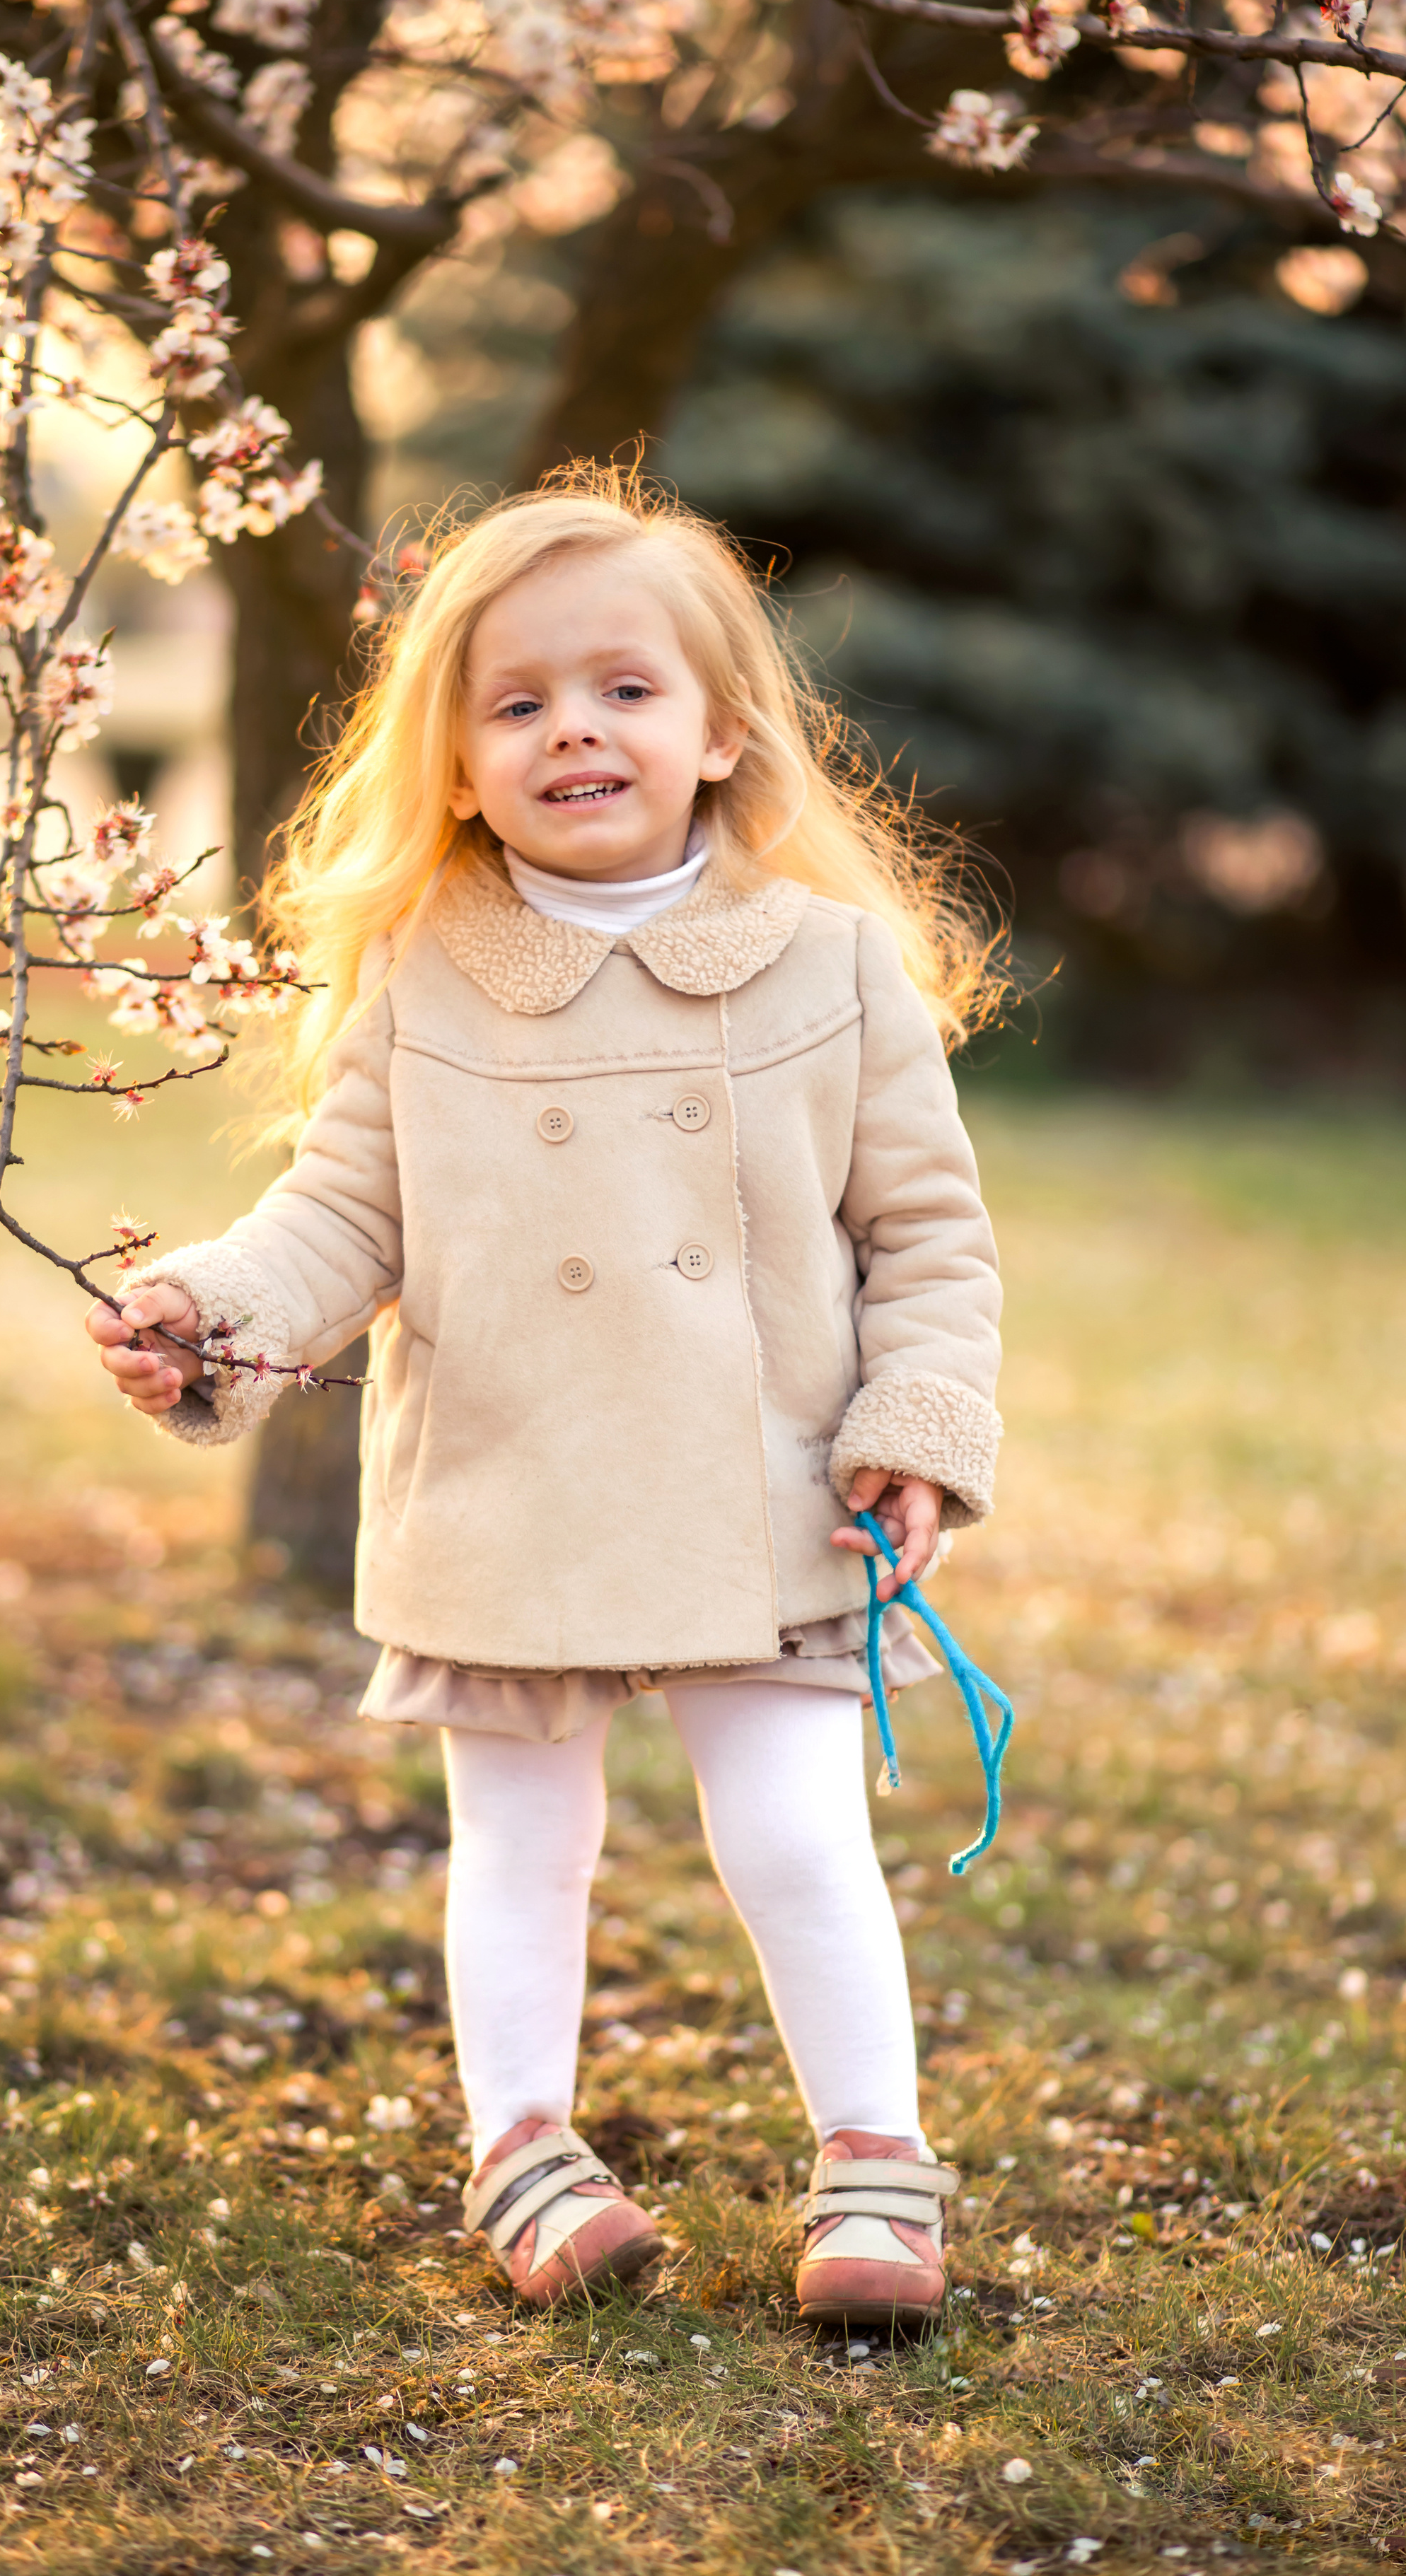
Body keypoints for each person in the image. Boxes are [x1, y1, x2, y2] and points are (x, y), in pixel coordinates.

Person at [86, 474, 1004, 2330]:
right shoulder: (428, 975)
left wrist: (915, 1431)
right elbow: (341, 1215)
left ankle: (875, 2162)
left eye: (624, 689)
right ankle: (524, 2149)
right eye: (517, 703)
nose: (573, 727)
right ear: (454, 761)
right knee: (522, 1844)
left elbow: (928, 1240)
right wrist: (213, 1316)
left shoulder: (829, 966)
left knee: (798, 1837)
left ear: (721, 728)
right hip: (507, 1478)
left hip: (777, 1490)